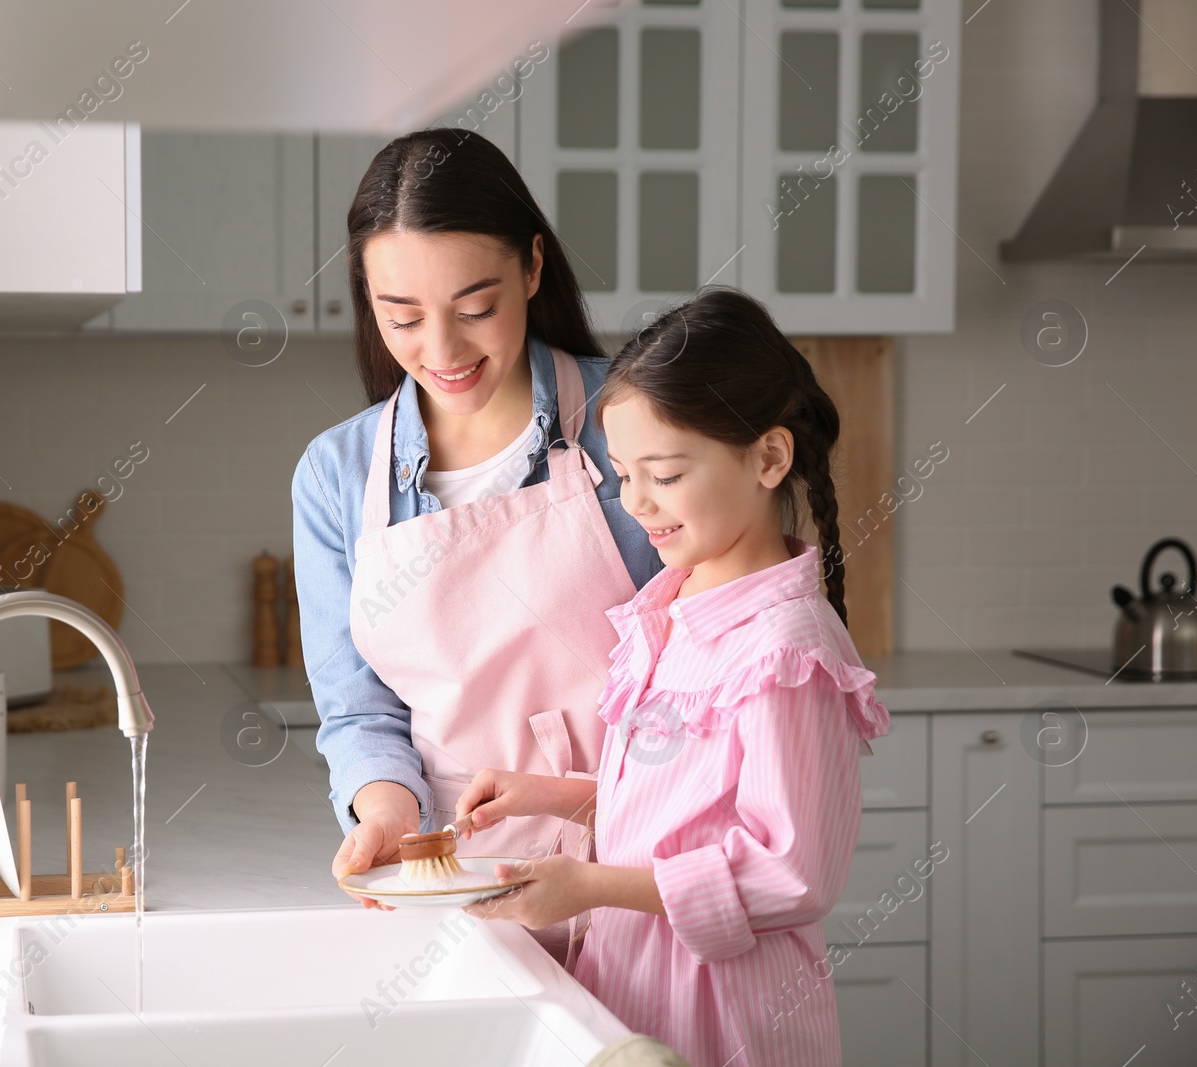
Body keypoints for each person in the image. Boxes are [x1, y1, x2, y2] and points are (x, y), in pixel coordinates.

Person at [455, 288, 890, 1066]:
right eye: (622, 474)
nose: (638, 502)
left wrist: (590, 886)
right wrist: (556, 795)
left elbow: (792, 873)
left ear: (768, 457)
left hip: (727, 1013)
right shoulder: (672, 611)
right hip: (633, 985)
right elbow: (687, 802)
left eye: (663, 473)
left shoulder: (783, 653)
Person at [290, 128, 662, 961]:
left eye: (475, 307)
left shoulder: (632, 420)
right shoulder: (335, 476)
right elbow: (359, 711)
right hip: (461, 887)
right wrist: (384, 811)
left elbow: (713, 653)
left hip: (643, 860)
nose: (443, 352)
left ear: (533, 267)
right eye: (404, 317)